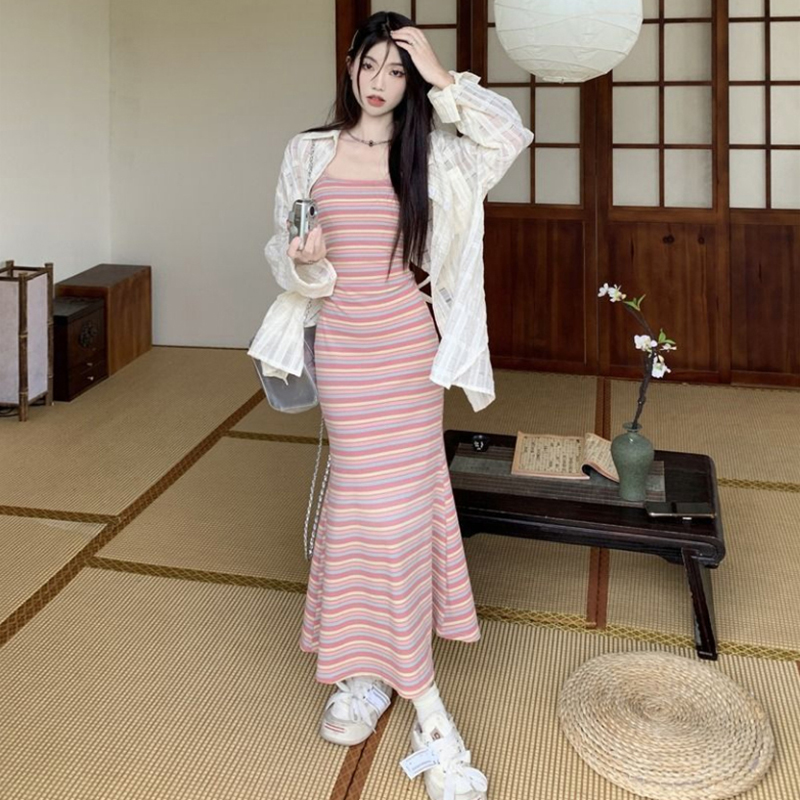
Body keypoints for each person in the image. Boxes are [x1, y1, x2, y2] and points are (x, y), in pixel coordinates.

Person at [248, 11, 532, 800]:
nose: (380, 82)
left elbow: (508, 136)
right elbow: (286, 256)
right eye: (369, 65)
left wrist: (441, 77)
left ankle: (372, 677)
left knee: (400, 514)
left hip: (409, 354)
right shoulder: (307, 151)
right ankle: (415, 702)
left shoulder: (432, 151)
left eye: (396, 70)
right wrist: (307, 263)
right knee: (366, 508)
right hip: (344, 353)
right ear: (349, 68)